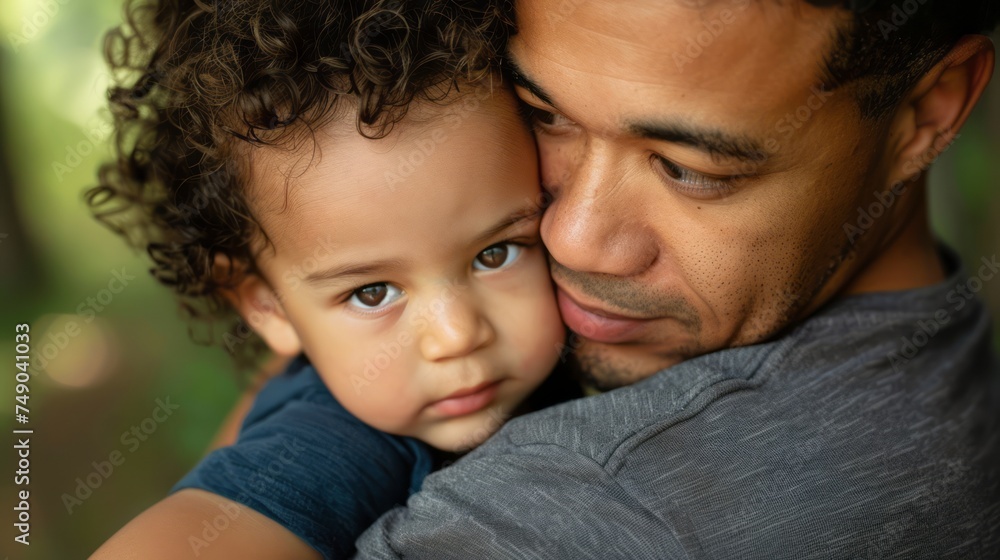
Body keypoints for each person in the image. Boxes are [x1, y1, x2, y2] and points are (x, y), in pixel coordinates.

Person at [98, 0, 1000, 558]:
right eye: (544, 114)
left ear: (932, 108)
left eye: (690, 167)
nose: (567, 237)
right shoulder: (935, 351)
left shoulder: (617, 507)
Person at [87, 0, 576, 558]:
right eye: (372, 293)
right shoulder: (338, 440)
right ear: (269, 306)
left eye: (496, 254)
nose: (457, 335)